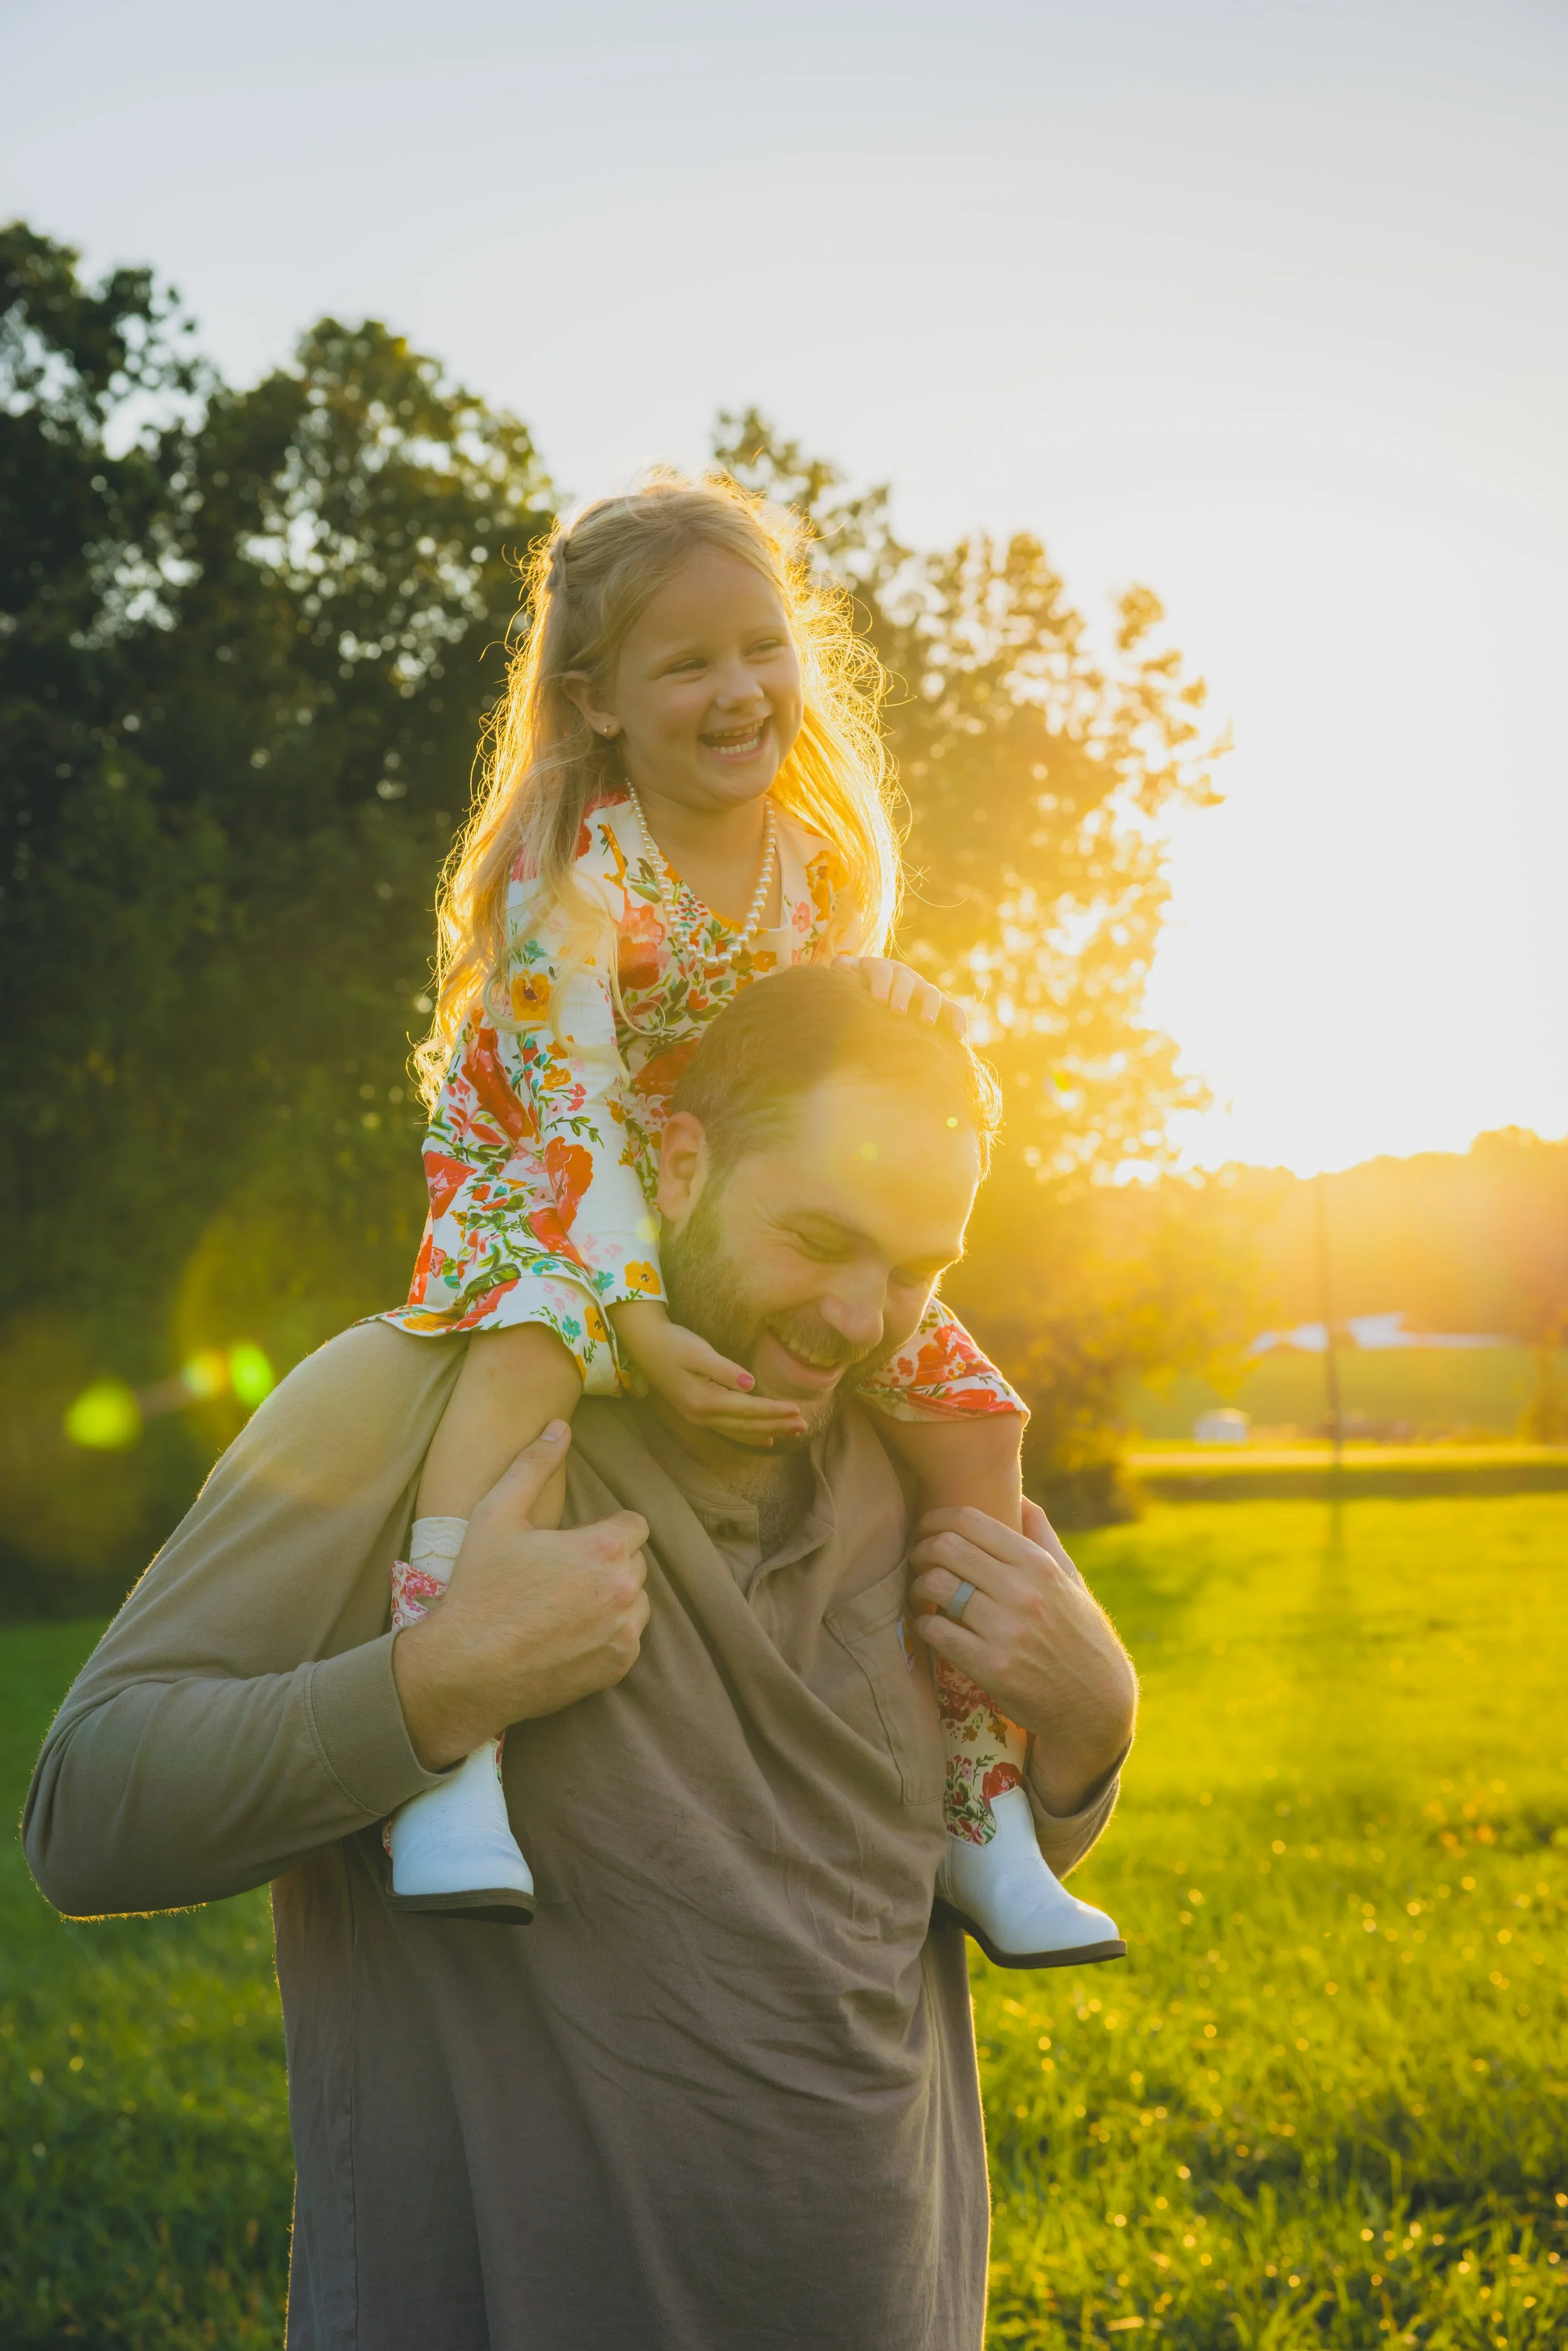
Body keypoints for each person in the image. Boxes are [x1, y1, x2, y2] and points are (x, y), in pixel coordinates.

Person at [25, 965, 1136, 2351]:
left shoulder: (917, 1465)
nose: (862, 1317)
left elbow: (877, 1884)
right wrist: (431, 1687)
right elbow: (85, 1816)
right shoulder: (409, 1395)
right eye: (816, 1236)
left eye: (914, 1270)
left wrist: (1087, 1729)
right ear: (676, 1161)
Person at [380, 471, 1118, 1965]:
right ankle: (447, 1753)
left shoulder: (819, 853)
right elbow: (573, 1107)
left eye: (762, 647)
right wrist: (635, 1316)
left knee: (974, 1411)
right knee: (525, 1349)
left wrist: (901, 1001)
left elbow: (841, 1040)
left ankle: (979, 1810)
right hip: (558, 1168)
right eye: (687, 661)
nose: (740, 689)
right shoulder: (571, 882)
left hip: (745, 1188)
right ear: (596, 702)